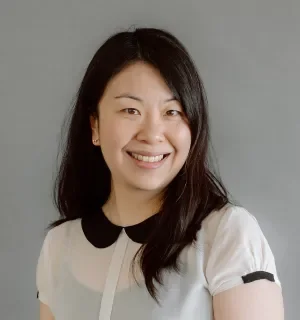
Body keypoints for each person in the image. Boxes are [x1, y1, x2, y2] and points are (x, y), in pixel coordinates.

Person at [36, 27, 284, 320]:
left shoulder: (226, 236)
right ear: (95, 127)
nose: (152, 134)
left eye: (173, 112)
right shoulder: (59, 246)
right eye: (130, 110)